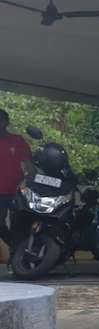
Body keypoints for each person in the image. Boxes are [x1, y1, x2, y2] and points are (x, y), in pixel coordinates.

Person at [0, 109, 34, 256]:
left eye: (1, 120)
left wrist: (32, 181)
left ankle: (19, 256)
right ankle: (16, 248)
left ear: (6, 122)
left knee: (19, 225)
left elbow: (28, 163)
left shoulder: (17, 140)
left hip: (17, 190)